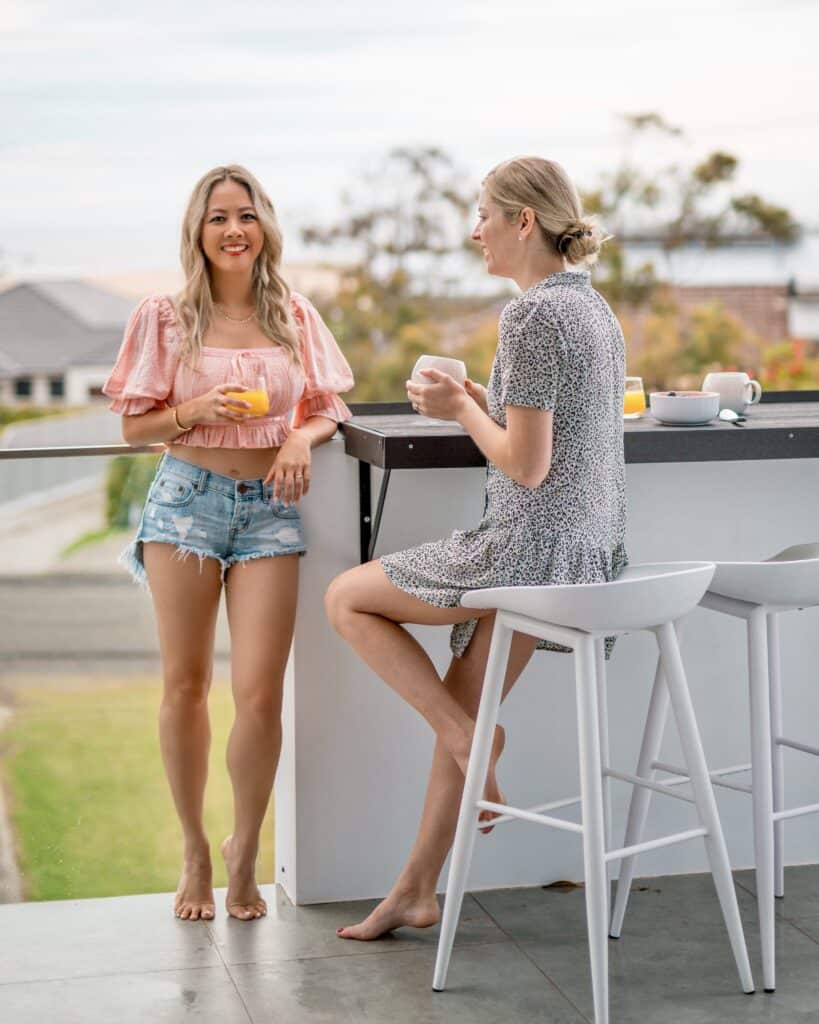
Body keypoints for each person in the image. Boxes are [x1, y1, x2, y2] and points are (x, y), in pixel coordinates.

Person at [325, 156, 626, 940]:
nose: (475, 231)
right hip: (580, 555)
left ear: (524, 221)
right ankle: (414, 892)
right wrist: (479, 401)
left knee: (345, 597)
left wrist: (458, 407)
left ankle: (467, 738)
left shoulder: (528, 317)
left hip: (524, 552)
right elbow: (549, 433)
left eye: (484, 215)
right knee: (463, 701)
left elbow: (525, 466)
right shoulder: (592, 310)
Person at [103, 165, 353, 922]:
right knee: (184, 687)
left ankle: (245, 848)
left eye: (246, 215)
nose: (233, 229)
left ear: (265, 227)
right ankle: (194, 848)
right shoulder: (164, 316)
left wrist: (301, 438)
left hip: (271, 509)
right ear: (197, 231)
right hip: (186, 505)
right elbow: (133, 426)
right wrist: (194, 408)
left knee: (259, 694)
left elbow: (328, 407)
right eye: (218, 218)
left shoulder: (294, 315)